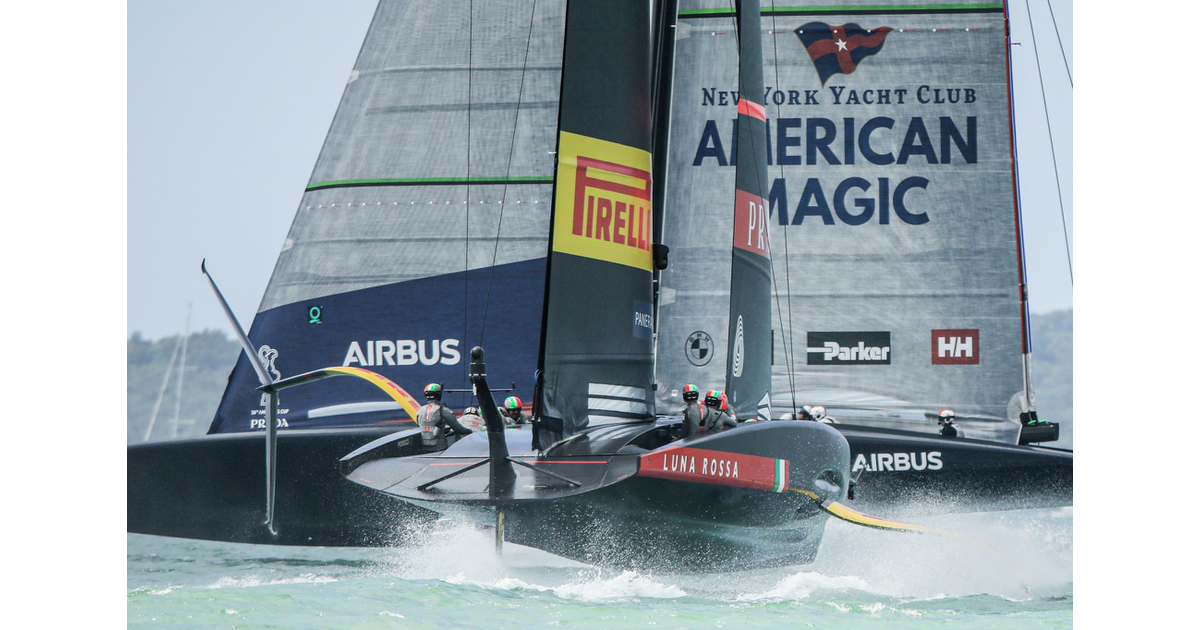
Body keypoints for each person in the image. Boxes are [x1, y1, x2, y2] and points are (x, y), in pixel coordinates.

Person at [416, 383, 473, 451]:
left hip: (424, 449)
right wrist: (471, 431)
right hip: (440, 448)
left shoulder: (420, 410)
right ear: (439, 395)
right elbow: (458, 429)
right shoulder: (443, 411)